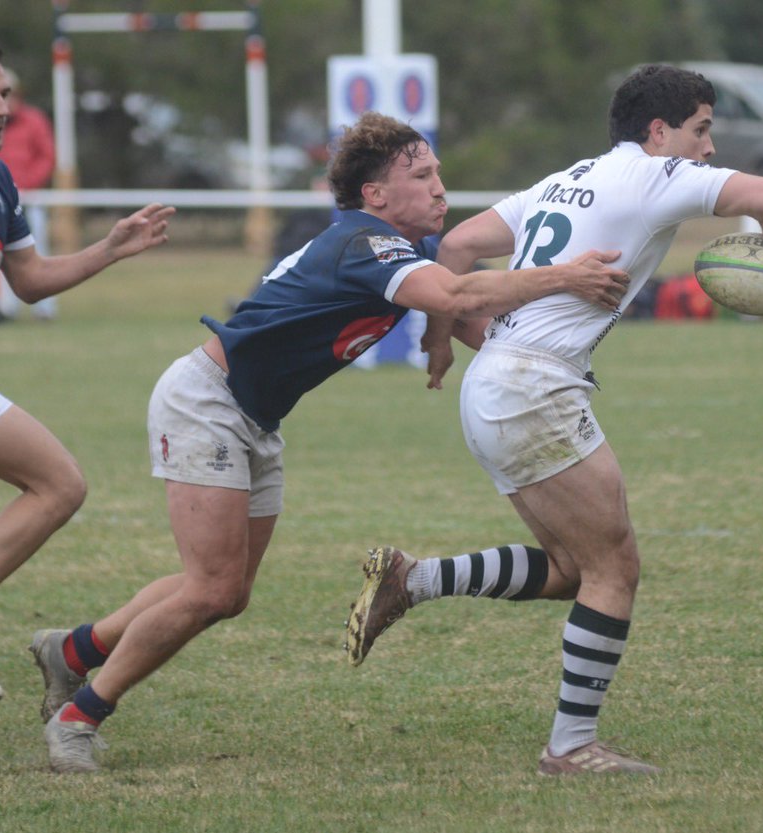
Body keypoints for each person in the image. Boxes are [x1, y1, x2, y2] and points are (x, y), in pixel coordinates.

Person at [34, 111, 629, 773]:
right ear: (374, 195)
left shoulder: (395, 249)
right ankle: (79, 716)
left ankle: (72, 650)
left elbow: (461, 311)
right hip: (206, 402)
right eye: (422, 175)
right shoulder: (363, 245)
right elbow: (456, 290)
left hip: (253, 417)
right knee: (207, 588)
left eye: (437, 172)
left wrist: (516, 363)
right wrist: (565, 275)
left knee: (225, 592)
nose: (441, 188)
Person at [343, 64, 763, 776]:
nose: (707, 149)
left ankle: (414, 579)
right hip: (532, 388)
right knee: (614, 568)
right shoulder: (658, 175)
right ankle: (571, 747)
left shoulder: (564, 179)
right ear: (659, 133)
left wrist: (446, 342)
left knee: (571, 569)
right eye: (701, 130)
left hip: (502, 381)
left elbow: (456, 246)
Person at [0, 35, 174, 702]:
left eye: (5, 93)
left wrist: (111, 248)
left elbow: (32, 280)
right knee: (59, 483)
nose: (2, 107)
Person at [0, 67, 58, 320]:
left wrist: (26, 186)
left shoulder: (34, 120)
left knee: (38, 250)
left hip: (30, 199)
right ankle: (6, 308)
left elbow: (46, 157)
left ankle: (45, 309)